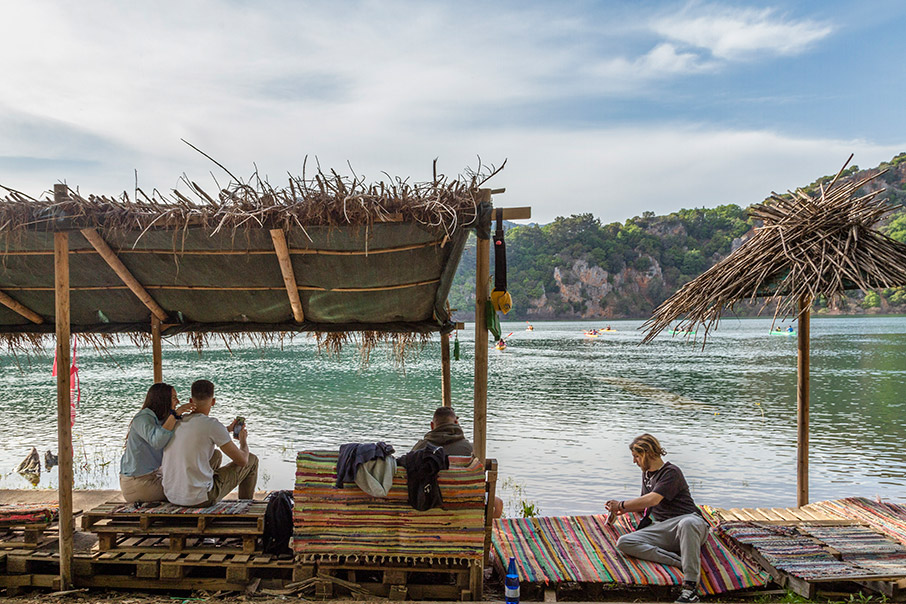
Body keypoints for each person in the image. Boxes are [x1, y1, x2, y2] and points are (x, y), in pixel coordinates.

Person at [605, 434, 710, 604]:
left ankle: (690, 588)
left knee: (687, 523)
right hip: (664, 529)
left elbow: (653, 499)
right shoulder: (647, 474)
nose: (634, 462)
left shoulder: (671, 472)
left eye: (636, 457)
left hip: (690, 524)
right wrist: (620, 510)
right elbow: (645, 503)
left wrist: (622, 504)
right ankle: (681, 562)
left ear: (647, 454)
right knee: (624, 542)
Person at [161, 379, 258, 507]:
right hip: (200, 499)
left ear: (191, 401)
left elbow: (203, 431)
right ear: (213, 402)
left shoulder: (176, 422)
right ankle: (245, 505)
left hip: (172, 495)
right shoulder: (212, 425)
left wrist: (227, 429)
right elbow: (242, 461)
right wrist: (243, 442)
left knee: (216, 454)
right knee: (252, 460)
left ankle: (202, 483)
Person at [411, 407, 504, 518]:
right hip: (464, 509)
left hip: (427, 507)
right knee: (498, 504)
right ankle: (484, 533)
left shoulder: (419, 448)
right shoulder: (471, 450)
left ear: (432, 426)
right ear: (456, 423)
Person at [120, 383, 195, 503]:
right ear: (162, 399)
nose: (178, 401)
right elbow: (157, 441)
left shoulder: (162, 419)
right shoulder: (143, 418)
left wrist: (227, 429)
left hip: (154, 477)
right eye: (174, 398)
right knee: (190, 489)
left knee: (211, 459)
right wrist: (175, 414)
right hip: (138, 484)